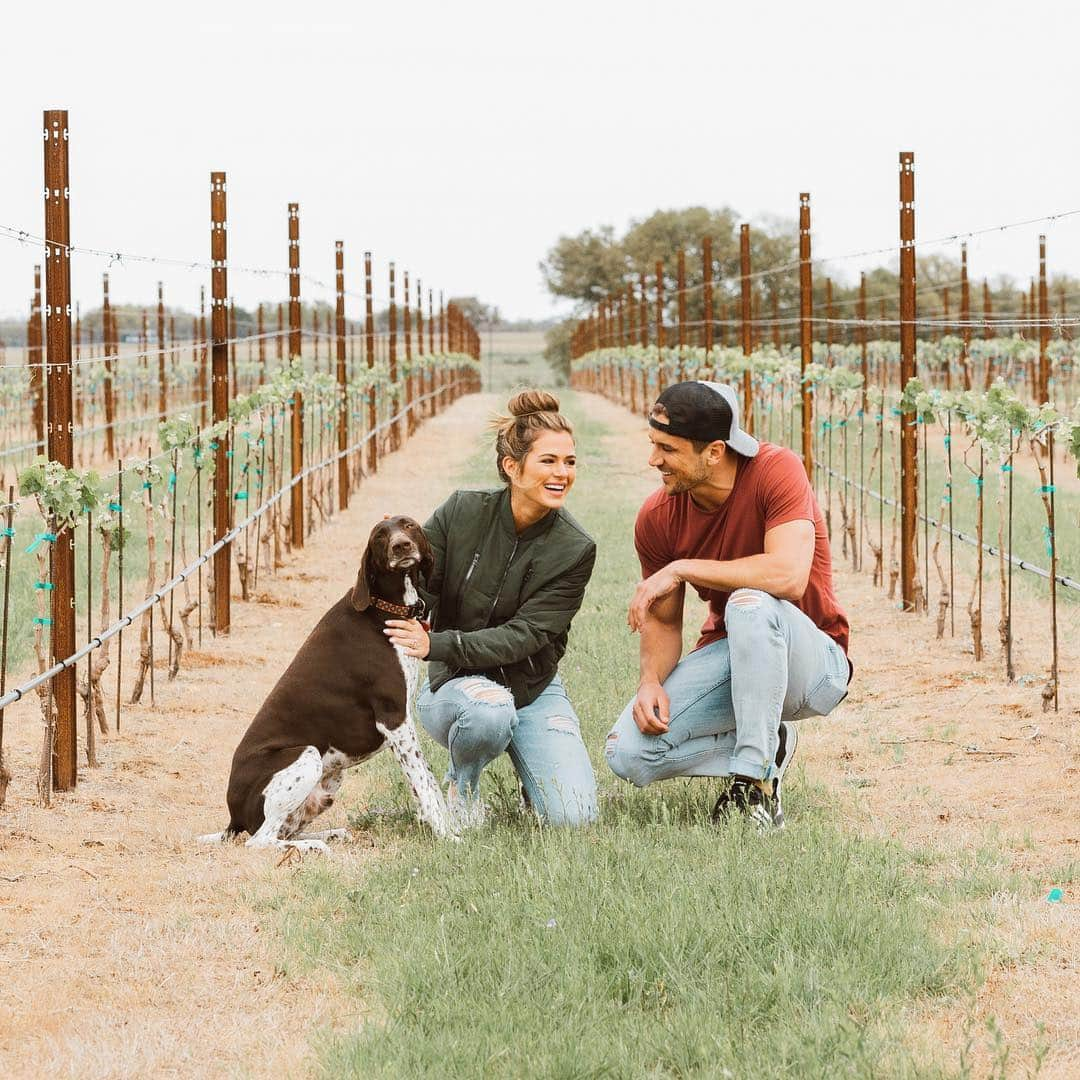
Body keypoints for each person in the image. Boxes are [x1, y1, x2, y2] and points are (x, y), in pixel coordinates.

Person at [603, 380, 851, 829]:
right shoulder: (657, 517)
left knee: (749, 604)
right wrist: (649, 681)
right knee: (627, 753)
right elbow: (663, 625)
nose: (653, 460)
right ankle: (766, 741)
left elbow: (788, 576)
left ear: (714, 452)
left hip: (813, 664)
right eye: (653, 444)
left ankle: (755, 785)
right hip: (735, 657)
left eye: (667, 449)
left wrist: (682, 568)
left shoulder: (777, 470)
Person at [383, 389, 598, 828]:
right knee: (488, 711)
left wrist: (436, 642)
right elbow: (422, 585)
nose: (562, 473)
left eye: (570, 462)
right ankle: (463, 788)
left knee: (573, 818)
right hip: (458, 687)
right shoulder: (462, 511)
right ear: (512, 467)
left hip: (533, 688)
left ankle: (531, 774)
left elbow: (525, 636)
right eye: (549, 461)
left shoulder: (576, 548)